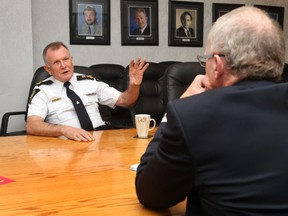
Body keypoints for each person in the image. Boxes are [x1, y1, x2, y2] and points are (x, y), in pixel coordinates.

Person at [136, 6, 288, 215]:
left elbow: (150, 193)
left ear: (216, 65)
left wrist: (175, 111)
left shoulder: (193, 116)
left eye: (205, 59)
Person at [26, 41, 149, 142]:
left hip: (101, 141)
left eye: (66, 59)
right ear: (48, 69)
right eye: (57, 62)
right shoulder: (42, 90)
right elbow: (32, 125)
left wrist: (134, 85)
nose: (64, 65)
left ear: (71, 59)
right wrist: (64, 130)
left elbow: (125, 101)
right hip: (67, 145)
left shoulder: (89, 81)